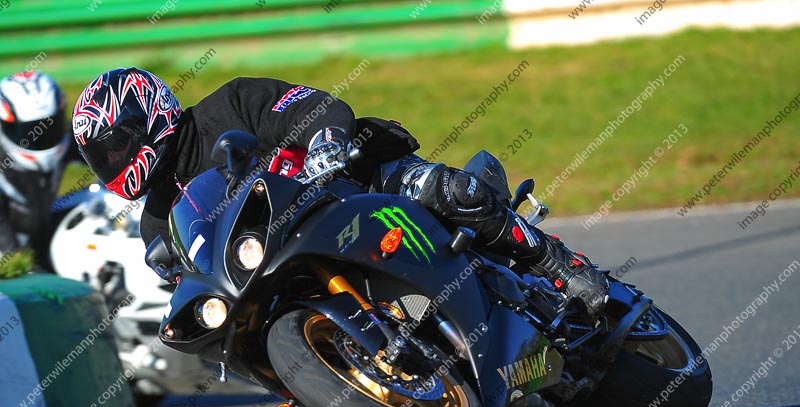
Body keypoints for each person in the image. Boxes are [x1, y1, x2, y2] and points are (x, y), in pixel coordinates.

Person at [72, 68, 608, 319]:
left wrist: (325, 142)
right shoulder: (157, 219)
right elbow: (177, 272)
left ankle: (558, 261)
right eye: (104, 159)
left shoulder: (229, 105)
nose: (116, 163)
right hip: (294, 264)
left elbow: (313, 107)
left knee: (450, 190)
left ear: (148, 115)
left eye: (118, 146)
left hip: (355, 191)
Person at [0, 71, 81, 263]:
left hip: (42, 232)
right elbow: (11, 258)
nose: (40, 137)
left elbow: (109, 158)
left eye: (49, 126)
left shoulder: (66, 139)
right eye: (29, 132)